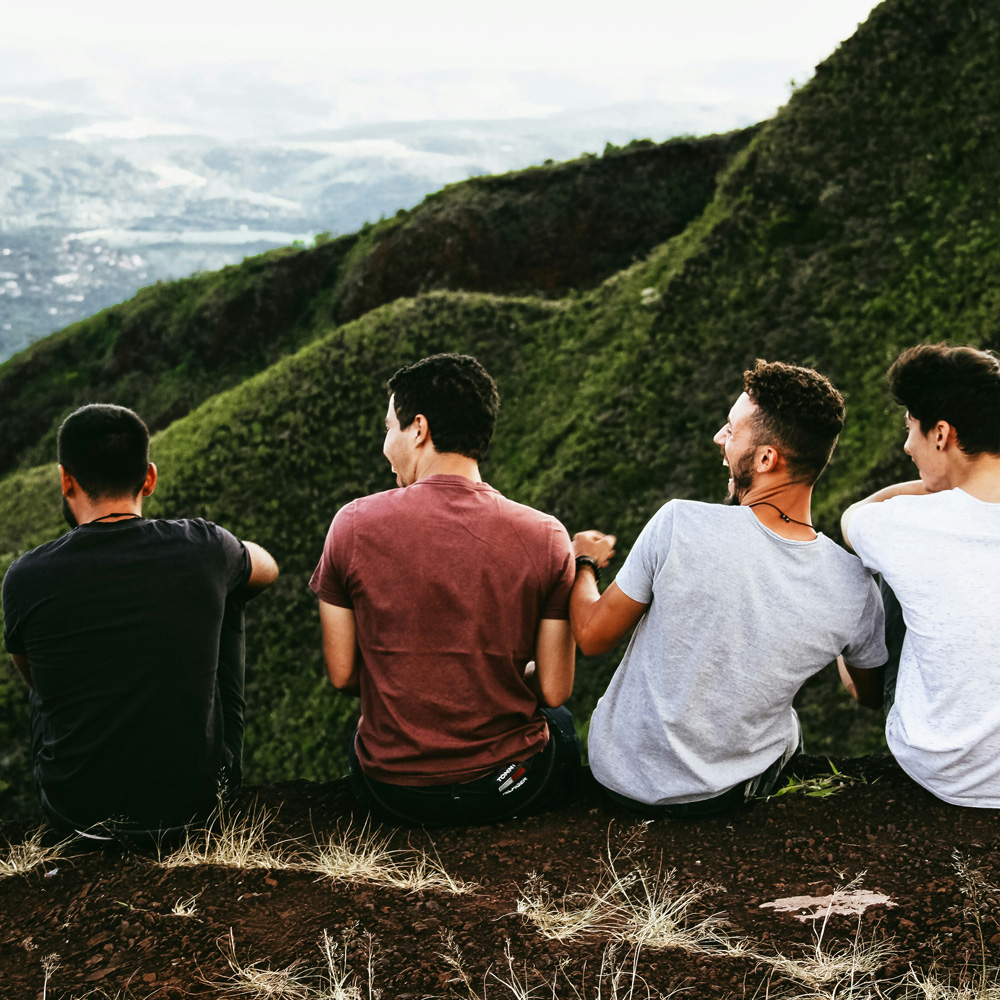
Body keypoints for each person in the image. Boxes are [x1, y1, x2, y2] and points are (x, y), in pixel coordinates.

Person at [571, 359, 887, 819]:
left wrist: (584, 563)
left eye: (731, 430)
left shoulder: (678, 522)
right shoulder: (854, 585)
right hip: (724, 796)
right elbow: (867, 694)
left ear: (765, 459)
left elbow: (592, 636)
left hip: (618, 779)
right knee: (789, 727)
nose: (719, 438)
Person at [310, 353, 579, 826]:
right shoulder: (547, 535)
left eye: (389, 427)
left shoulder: (352, 525)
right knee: (562, 724)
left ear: (419, 429)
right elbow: (554, 689)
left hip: (392, 791)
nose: (385, 443)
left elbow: (343, 674)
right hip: (507, 788)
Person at [2, 404, 279, 841]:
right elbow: (268, 568)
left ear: (65, 479)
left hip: (75, 811)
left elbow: (36, 680)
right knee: (232, 591)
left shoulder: (25, 576)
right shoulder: (204, 546)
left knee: (46, 666)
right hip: (193, 807)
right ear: (149, 478)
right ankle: (215, 772)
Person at [840, 343, 1000, 808]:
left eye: (910, 427)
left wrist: (931, 489)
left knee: (879, 571)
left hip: (945, 771)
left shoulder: (904, 523)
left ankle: (864, 689)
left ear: (941, 433)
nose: (907, 445)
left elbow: (853, 519)